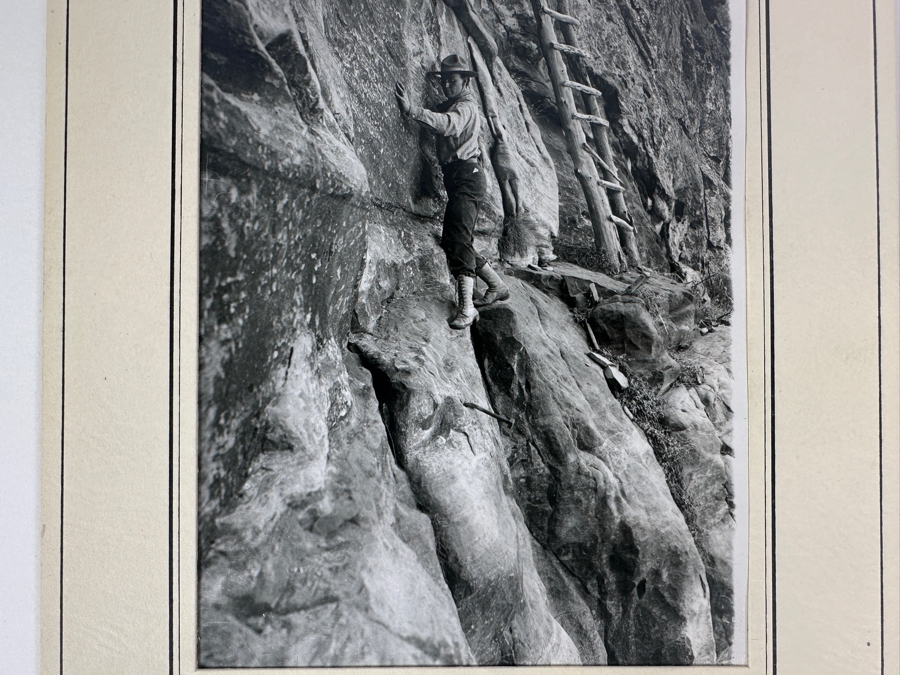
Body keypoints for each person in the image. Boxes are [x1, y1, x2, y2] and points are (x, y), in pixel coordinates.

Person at [395, 54, 510, 330]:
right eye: (444, 81)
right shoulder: (454, 103)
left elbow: (449, 124)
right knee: (454, 239)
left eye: (453, 81)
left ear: (466, 81)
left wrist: (412, 110)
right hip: (460, 177)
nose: (447, 85)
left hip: (467, 178)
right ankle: (496, 284)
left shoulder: (466, 107)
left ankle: (467, 308)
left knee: (458, 240)